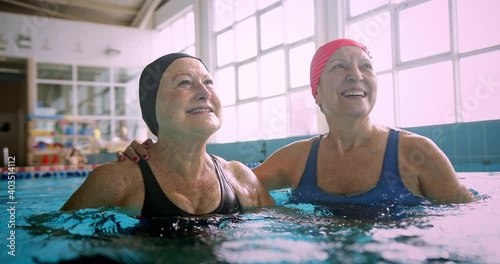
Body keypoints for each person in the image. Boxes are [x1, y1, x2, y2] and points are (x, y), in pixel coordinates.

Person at [117, 39, 476, 206]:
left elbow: (465, 222)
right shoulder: (297, 159)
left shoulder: (417, 153)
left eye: (366, 66)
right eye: (340, 67)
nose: (357, 76)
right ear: (316, 92)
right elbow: (227, 186)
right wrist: (156, 155)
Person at [61, 53, 274, 217]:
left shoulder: (239, 177)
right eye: (184, 82)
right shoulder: (117, 180)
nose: (205, 92)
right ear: (154, 106)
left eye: (208, 82)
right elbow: (49, 240)